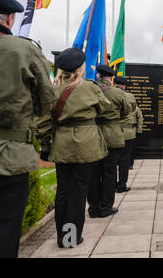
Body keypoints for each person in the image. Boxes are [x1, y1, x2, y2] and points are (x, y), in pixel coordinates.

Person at [0, 0, 57, 258]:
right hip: (9, 152)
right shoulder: (23, 50)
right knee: (6, 224)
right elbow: (48, 100)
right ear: (9, 18)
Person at [37, 48, 110, 248]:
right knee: (78, 192)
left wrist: (45, 146)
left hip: (61, 145)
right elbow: (105, 108)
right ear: (80, 67)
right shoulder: (90, 87)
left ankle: (62, 235)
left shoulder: (53, 89)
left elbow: (42, 121)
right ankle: (71, 238)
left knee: (63, 190)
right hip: (86, 146)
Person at [87, 65, 133, 218]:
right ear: (111, 78)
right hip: (112, 135)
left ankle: (93, 208)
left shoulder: (88, 89)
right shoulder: (117, 93)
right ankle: (106, 207)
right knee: (109, 172)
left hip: (92, 133)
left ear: (98, 75)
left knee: (93, 173)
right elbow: (127, 111)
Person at [113, 76, 138, 193]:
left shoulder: (105, 94)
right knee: (124, 160)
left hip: (112, 132)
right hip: (127, 133)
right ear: (124, 86)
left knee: (111, 162)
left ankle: (111, 186)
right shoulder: (129, 96)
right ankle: (122, 185)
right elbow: (132, 109)